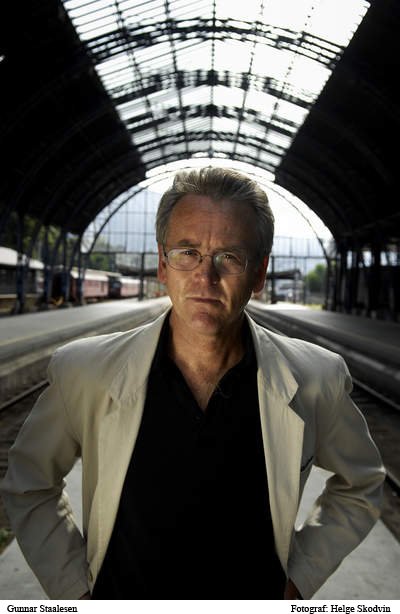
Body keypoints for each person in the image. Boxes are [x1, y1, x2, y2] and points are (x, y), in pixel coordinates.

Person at [1, 167, 385, 600]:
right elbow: (29, 482)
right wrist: (75, 593)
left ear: (259, 274)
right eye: (187, 252)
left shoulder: (316, 378)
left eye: (229, 257)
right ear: (162, 265)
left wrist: (301, 580)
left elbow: (362, 483)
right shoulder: (84, 370)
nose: (205, 277)